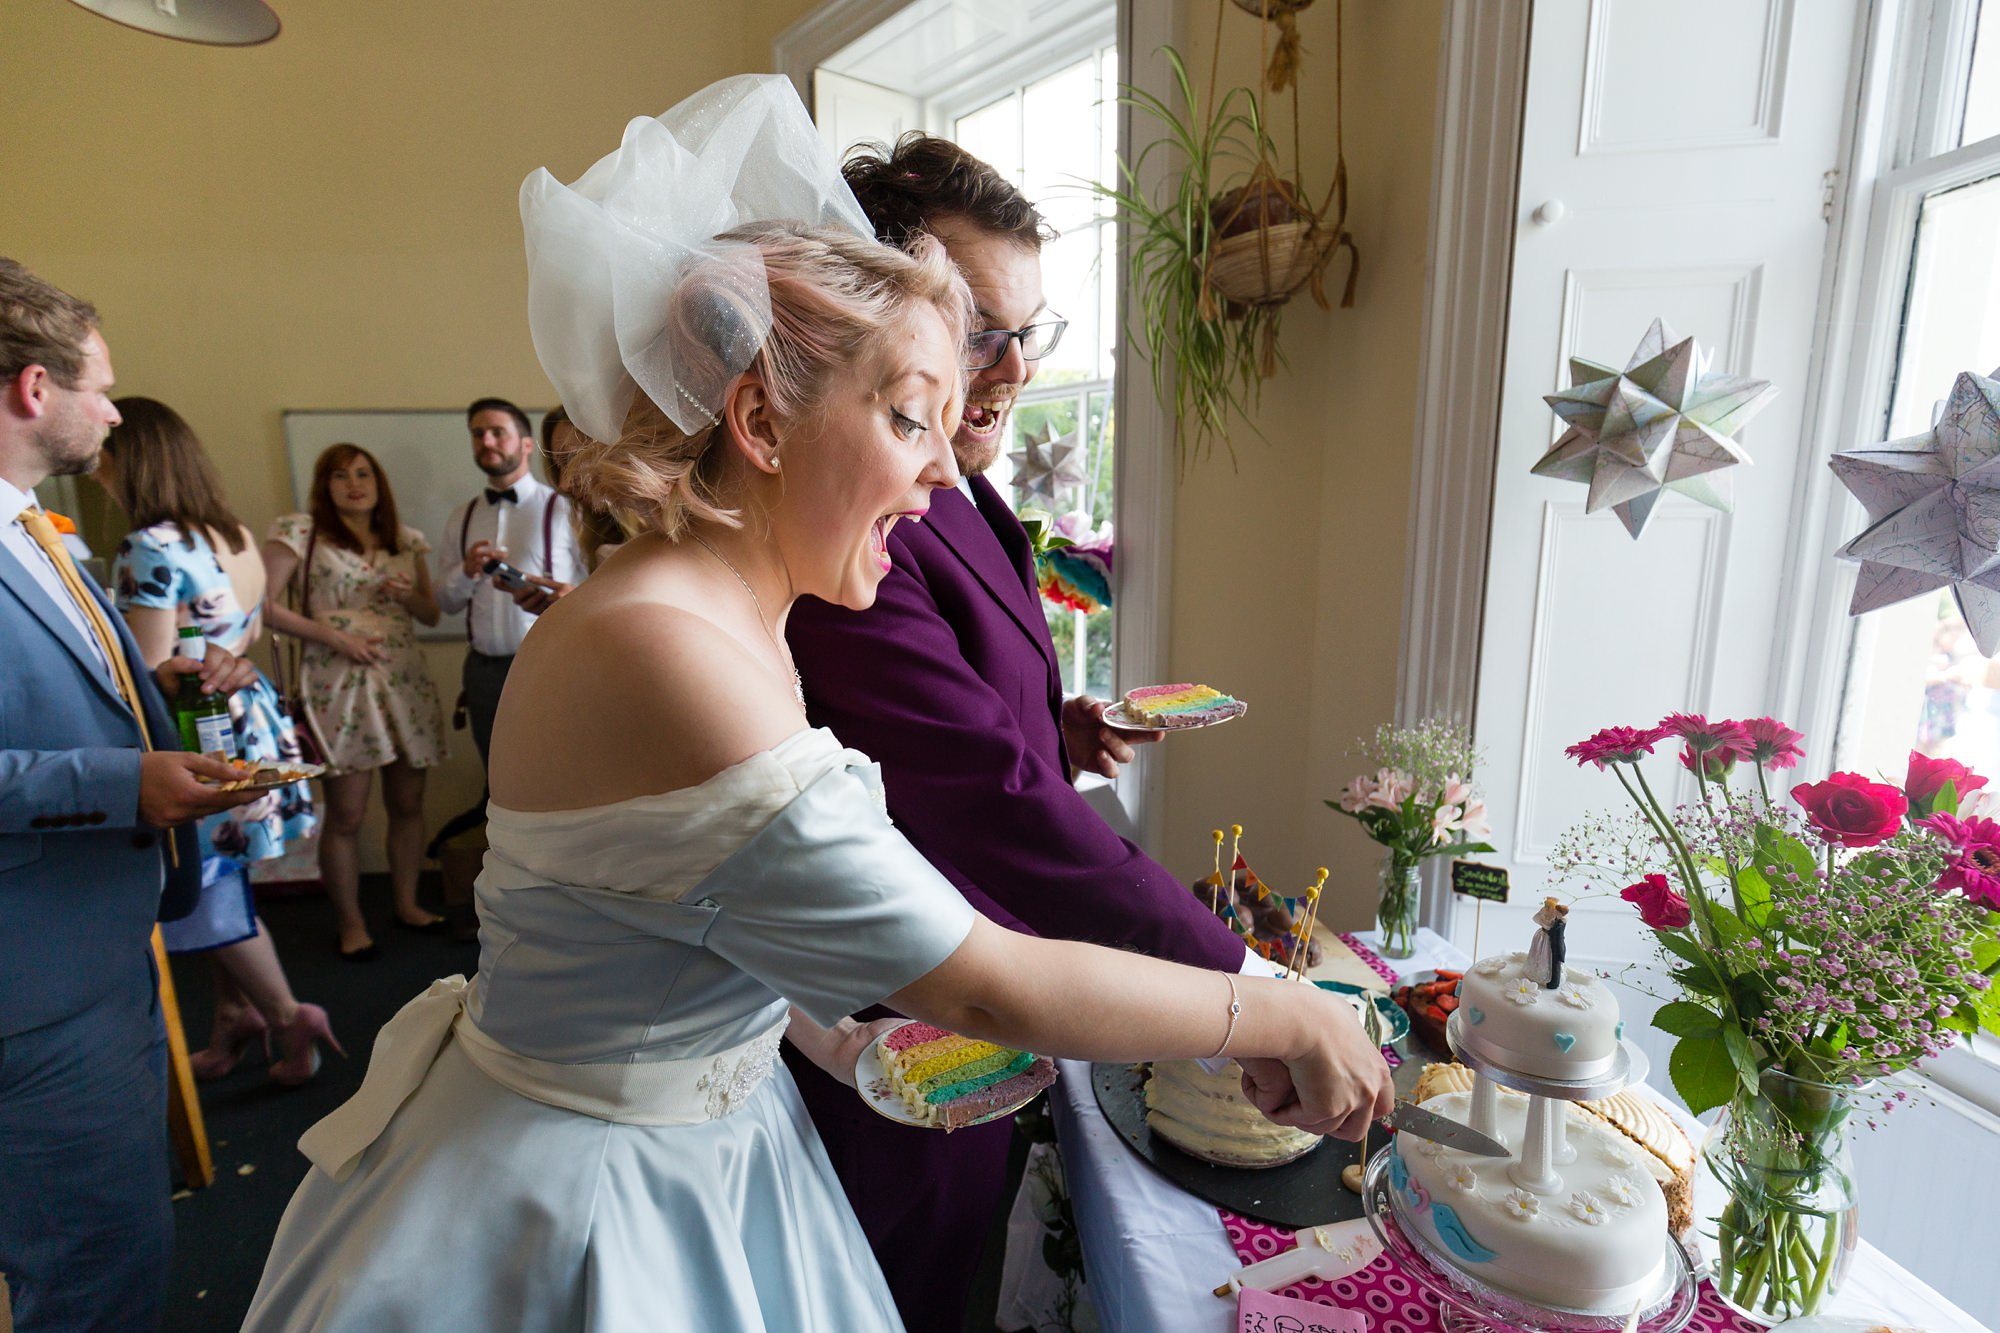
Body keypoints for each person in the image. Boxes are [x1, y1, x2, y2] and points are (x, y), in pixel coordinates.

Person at [241, 78, 1392, 1333]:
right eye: (909, 421)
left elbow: (676, 901)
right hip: (587, 1202)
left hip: (700, 1122)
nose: (939, 475)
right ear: (757, 417)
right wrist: (1271, 1006)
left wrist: (827, 1037)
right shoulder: (669, 650)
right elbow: (986, 983)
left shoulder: (726, 615)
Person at [782, 133, 1260, 1323]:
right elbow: (980, 795)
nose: (1010, 368)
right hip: (899, 1020)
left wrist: (1054, 719)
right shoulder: (861, 519)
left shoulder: (963, 483)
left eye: (1027, 331)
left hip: (994, 1006)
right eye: (978, 325)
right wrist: (1244, 984)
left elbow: (932, 720)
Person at [0, 257, 262, 1331]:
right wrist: (122, 785)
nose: (112, 409)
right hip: (33, 982)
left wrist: (151, 690)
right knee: (95, 1267)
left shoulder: (31, 525)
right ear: (32, 390)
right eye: (100, 386)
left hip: (89, 948)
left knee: (116, 1245)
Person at [99, 396, 339, 1084]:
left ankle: (290, 1014)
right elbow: (250, 634)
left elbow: (150, 675)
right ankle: (235, 1017)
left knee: (205, 887)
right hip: (247, 716)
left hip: (196, 728)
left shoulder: (149, 546)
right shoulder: (230, 533)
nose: (94, 471)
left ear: (131, 460)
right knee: (224, 876)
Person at [262, 444, 448, 958]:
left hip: (403, 678)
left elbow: (430, 615)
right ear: (324, 485)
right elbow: (260, 606)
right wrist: (333, 637)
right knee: (346, 813)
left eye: (364, 473)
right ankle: (351, 923)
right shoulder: (300, 532)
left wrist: (407, 593)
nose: (354, 483)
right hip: (337, 679)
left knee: (407, 803)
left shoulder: (405, 540)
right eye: (339, 475)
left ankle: (407, 903)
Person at [434, 396, 586, 767]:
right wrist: (467, 571)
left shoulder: (567, 508)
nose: (486, 442)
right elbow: (445, 602)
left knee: (556, 770)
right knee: (495, 776)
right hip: (483, 672)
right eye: (478, 434)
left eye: (498, 433)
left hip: (552, 667)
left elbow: (598, 586)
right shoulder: (462, 516)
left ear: (527, 444)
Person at [540, 403, 628, 572]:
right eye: (559, 468)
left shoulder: (679, 540)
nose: (563, 485)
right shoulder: (600, 545)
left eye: (572, 459)